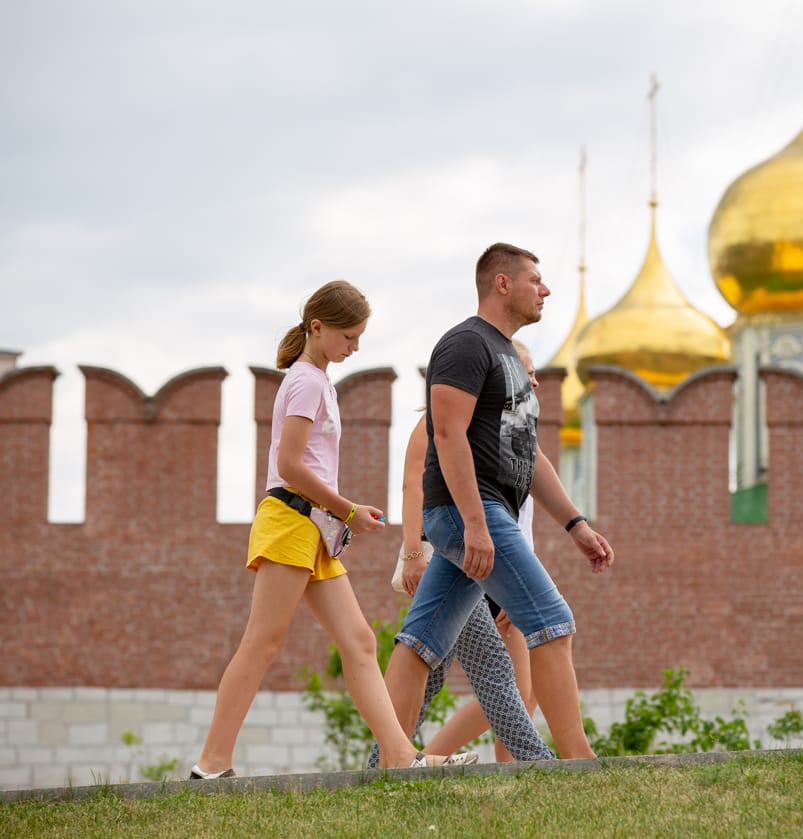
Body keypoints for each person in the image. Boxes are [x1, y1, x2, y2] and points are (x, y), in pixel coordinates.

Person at [192, 280, 471, 779]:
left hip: (313, 528)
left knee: (360, 642)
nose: (355, 346)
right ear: (317, 327)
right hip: (291, 522)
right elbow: (289, 465)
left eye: (360, 337)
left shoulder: (317, 381)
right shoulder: (305, 382)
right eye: (349, 336)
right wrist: (348, 511)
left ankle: (399, 756)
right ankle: (211, 765)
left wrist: (341, 513)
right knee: (263, 642)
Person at [383, 242, 613, 760]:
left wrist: (576, 525)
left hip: (482, 513)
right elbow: (446, 434)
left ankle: (388, 763)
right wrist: (475, 525)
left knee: (421, 642)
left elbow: (527, 457)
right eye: (535, 279)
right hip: (470, 511)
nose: (545, 289)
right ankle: (578, 762)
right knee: (553, 621)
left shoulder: (510, 357)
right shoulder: (467, 344)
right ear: (502, 284)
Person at [367, 340, 553, 768]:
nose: (532, 380)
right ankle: (532, 761)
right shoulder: (435, 425)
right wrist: (413, 553)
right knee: (494, 671)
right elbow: (414, 486)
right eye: (525, 370)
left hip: (487, 562)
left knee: (444, 677)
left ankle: (390, 762)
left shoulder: (503, 432)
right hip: (447, 558)